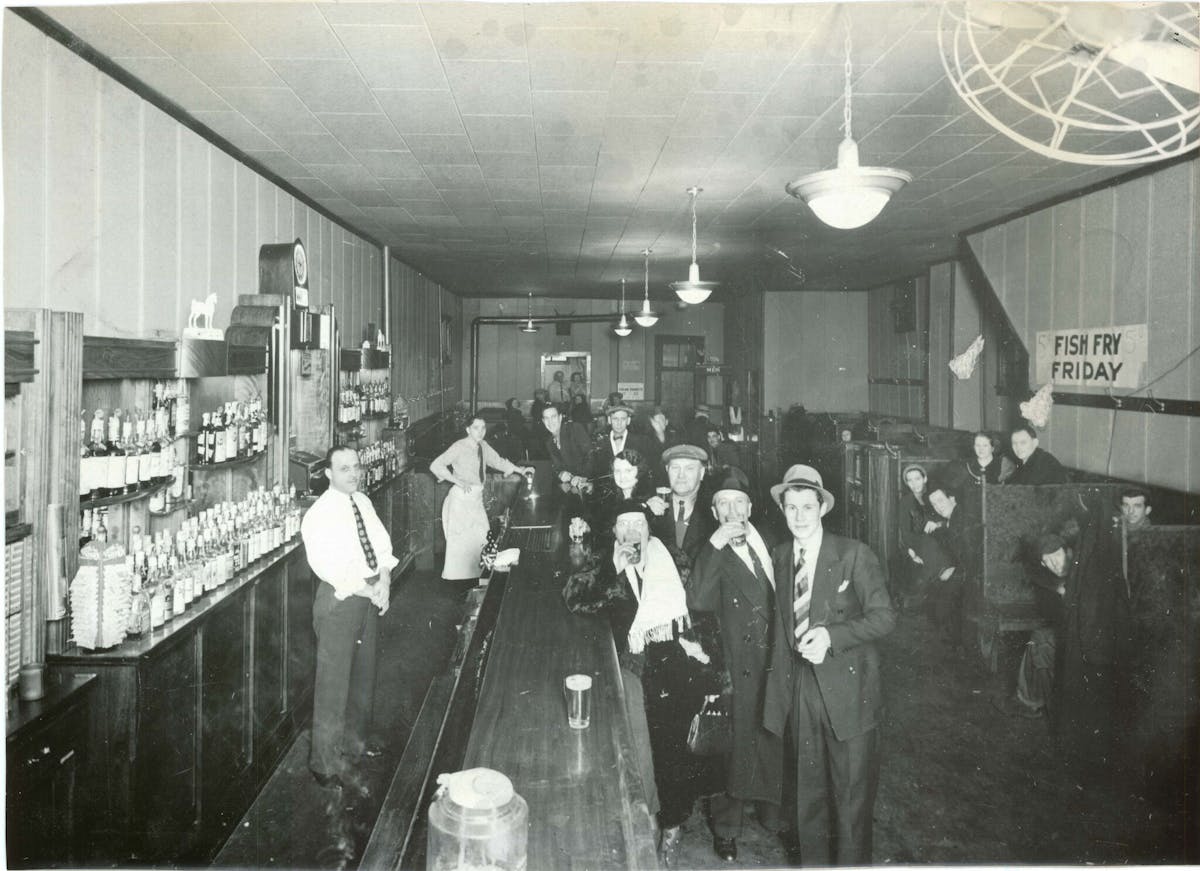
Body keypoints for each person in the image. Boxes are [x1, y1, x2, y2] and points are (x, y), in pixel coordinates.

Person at [562, 501, 722, 868]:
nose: (632, 531)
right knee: (638, 752)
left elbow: (699, 609)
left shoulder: (672, 559)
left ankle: (672, 827)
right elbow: (574, 599)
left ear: (649, 529)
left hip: (674, 666)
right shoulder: (606, 563)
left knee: (672, 754)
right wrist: (613, 573)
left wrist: (704, 654)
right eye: (624, 525)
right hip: (631, 670)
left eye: (638, 524)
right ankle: (645, 820)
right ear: (615, 532)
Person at [762, 464, 896, 867]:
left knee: (851, 804)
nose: (799, 517)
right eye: (791, 508)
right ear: (783, 511)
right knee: (809, 800)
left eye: (807, 507)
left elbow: (885, 617)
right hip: (802, 692)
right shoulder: (782, 557)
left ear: (822, 508)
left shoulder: (853, 554)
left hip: (849, 696)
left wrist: (832, 636)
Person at [688, 468, 784, 863]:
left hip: (776, 661)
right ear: (714, 512)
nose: (732, 511)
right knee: (735, 747)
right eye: (723, 505)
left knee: (775, 739)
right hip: (736, 662)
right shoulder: (711, 551)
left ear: (749, 507)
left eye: (738, 503)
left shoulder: (771, 542)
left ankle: (774, 817)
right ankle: (726, 830)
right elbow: (698, 600)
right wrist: (713, 546)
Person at [993, 499, 1122, 767]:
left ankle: (1035, 701)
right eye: (1046, 561)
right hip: (1074, 634)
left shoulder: (1086, 571)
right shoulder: (1050, 583)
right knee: (1040, 641)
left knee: (1042, 642)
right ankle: (1033, 700)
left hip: (1094, 637)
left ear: (1069, 551)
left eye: (1057, 556)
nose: (1053, 564)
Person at [301, 445, 398, 795]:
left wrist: (384, 580)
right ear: (328, 473)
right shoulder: (319, 515)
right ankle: (324, 764)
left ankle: (354, 747)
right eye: (344, 469)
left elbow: (382, 545)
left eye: (355, 466)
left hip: (370, 594)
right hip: (341, 600)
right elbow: (329, 566)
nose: (353, 473)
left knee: (363, 675)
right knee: (333, 682)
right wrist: (368, 589)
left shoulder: (363, 502)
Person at [430, 413, 533, 584]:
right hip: (460, 500)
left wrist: (520, 470)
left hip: (475, 499)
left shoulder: (483, 446)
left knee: (482, 538)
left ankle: (477, 581)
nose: (480, 431)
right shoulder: (459, 446)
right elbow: (435, 465)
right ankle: (460, 585)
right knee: (461, 545)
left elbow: (498, 461)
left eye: (483, 428)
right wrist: (457, 481)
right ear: (468, 429)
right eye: (476, 428)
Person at [647, 443, 717, 577]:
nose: (681, 475)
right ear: (667, 470)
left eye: (689, 468)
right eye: (675, 468)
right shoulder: (651, 509)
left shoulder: (714, 513)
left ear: (701, 473)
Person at [589, 449, 656, 545]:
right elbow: (600, 533)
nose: (622, 476)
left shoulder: (650, 500)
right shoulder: (607, 499)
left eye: (628, 470)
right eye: (617, 471)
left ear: (639, 471)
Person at [591, 403, 651, 479]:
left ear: (628, 421)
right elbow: (595, 472)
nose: (619, 423)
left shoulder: (641, 442)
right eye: (615, 419)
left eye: (623, 419)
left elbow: (646, 469)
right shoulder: (600, 444)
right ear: (609, 420)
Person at [541, 404, 592, 483]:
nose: (550, 422)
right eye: (546, 418)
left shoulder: (574, 429)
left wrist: (583, 476)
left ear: (560, 417)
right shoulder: (549, 442)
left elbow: (591, 455)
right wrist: (560, 473)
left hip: (588, 482)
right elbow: (556, 467)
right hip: (571, 486)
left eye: (553, 417)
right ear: (543, 421)